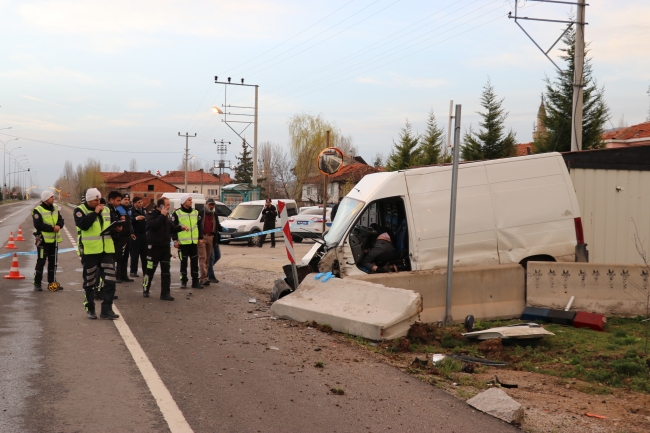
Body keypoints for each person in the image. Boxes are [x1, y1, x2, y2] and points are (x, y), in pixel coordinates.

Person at [74, 188, 121, 320]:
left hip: (106, 250)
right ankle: (90, 308)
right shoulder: (79, 210)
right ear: (89, 200)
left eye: (99, 199)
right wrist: (95, 213)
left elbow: (110, 224)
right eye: (95, 200)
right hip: (90, 251)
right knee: (90, 282)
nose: (98, 202)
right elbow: (84, 225)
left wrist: (116, 228)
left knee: (111, 281)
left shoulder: (106, 209)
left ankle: (107, 309)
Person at [143, 197, 184, 300]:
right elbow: (154, 225)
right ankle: (145, 289)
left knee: (166, 272)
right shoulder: (151, 214)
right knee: (150, 270)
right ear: (161, 205)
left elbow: (170, 228)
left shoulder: (166, 216)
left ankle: (165, 293)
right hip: (154, 247)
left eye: (169, 204)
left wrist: (180, 228)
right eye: (167, 205)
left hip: (165, 248)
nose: (169, 207)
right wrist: (162, 215)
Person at [32, 190, 65, 291]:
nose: (53, 198)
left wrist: (59, 225)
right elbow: (38, 224)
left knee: (53, 262)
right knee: (41, 261)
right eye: (51, 197)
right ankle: (37, 283)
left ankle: (52, 282)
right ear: (46, 199)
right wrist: (52, 228)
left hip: (53, 240)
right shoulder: (38, 210)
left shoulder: (55, 208)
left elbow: (61, 220)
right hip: (42, 240)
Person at [171, 194, 203, 289]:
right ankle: (183, 281)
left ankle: (195, 282)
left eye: (191, 200)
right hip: (183, 243)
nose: (191, 201)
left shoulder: (196, 212)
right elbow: (173, 228)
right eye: (189, 200)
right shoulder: (177, 213)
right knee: (183, 263)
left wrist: (200, 238)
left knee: (194, 263)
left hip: (193, 243)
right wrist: (175, 240)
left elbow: (199, 226)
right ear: (184, 202)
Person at [198, 198, 223, 286]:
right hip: (202, 237)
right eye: (210, 204)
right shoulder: (201, 213)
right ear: (206, 204)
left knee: (209, 259)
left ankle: (206, 274)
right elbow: (198, 225)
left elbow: (217, 226)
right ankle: (204, 277)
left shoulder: (214, 215)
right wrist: (199, 237)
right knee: (203, 257)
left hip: (211, 237)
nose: (211, 206)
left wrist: (222, 229)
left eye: (213, 205)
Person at [115, 193, 134, 282]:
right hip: (120, 236)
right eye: (125, 199)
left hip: (128, 236)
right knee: (119, 256)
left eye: (128, 199)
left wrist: (132, 232)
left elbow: (129, 223)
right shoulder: (117, 209)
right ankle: (118, 275)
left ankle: (124, 275)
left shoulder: (129, 210)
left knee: (126, 256)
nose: (127, 201)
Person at [129, 196, 148, 277]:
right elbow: (129, 221)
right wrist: (136, 218)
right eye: (138, 202)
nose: (140, 204)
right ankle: (133, 271)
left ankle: (145, 271)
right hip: (135, 234)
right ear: (134, 203)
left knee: (145, 254)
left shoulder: (145, 211)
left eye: (141, 202)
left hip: (144, 234)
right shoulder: (131, 211)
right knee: (134, 254)